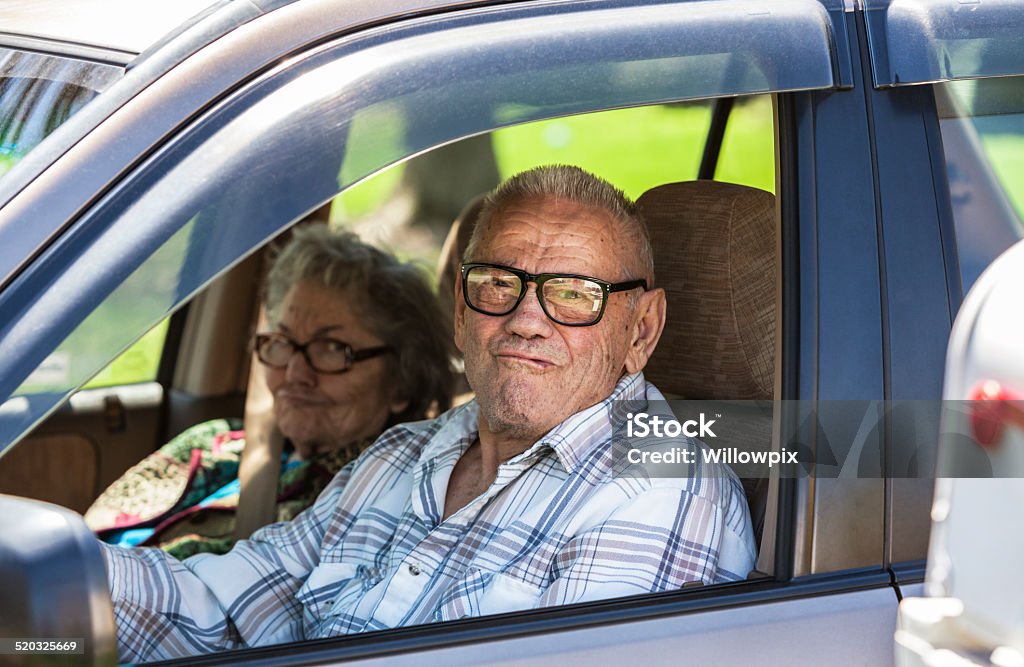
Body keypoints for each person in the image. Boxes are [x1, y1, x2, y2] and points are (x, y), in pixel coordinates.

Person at [103, 165, 756, 662]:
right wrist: (57, 584)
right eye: (498, 284)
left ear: (641, 330)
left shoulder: (660, 488)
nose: (526, 320)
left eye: (573, 293)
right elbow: (220, 609)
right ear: (462, 313)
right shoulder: (399, 455)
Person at [86, 224, 455, 559]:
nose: (295, 372)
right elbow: (86, 542)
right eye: (283, 342)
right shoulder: (213, 443)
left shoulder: (380, 499)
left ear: (401, 381)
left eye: (331, 348)